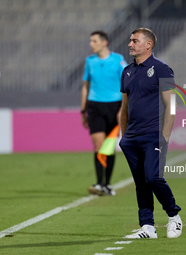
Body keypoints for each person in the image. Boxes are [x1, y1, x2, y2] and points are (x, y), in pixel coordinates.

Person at [119, 28, 182, 238]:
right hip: (131, 138)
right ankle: (147, 226)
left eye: (134, 40)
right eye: (130, 40)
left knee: (153, 178)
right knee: (140, 183)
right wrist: (124, 137)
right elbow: (125, 108)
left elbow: (170, 106)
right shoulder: (127, 71)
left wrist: (164, 137)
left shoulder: (162, 69)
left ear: (148, 45)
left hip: (153, 135)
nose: (130, 44)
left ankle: (174, 216)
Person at [81, 31, 127, 196]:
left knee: (109, 148)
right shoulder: (89, 61)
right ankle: (100, 183)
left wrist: (122, 109)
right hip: (94, 107)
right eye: (90, 41)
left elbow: (127, 86)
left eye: (94, 41)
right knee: (98, 145)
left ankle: (107, 184)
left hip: (114, 107)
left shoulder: (118, 60)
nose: (91, 44)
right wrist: (83, 109)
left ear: (104, 42)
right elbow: (86, 85)